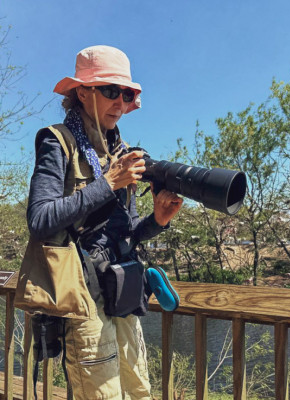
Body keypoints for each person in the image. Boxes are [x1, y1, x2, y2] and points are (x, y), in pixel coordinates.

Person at [26, 45, 183, 400]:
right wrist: (109, 183)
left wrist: (157, 221)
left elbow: (127, 234)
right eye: (111, 90)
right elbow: (40, 218)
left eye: (126, 94)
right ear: (82, 92)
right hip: (82, 296)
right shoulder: (57, 141)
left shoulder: (121, 154)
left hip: (121, 290)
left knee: (139, 390)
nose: (120, 102)